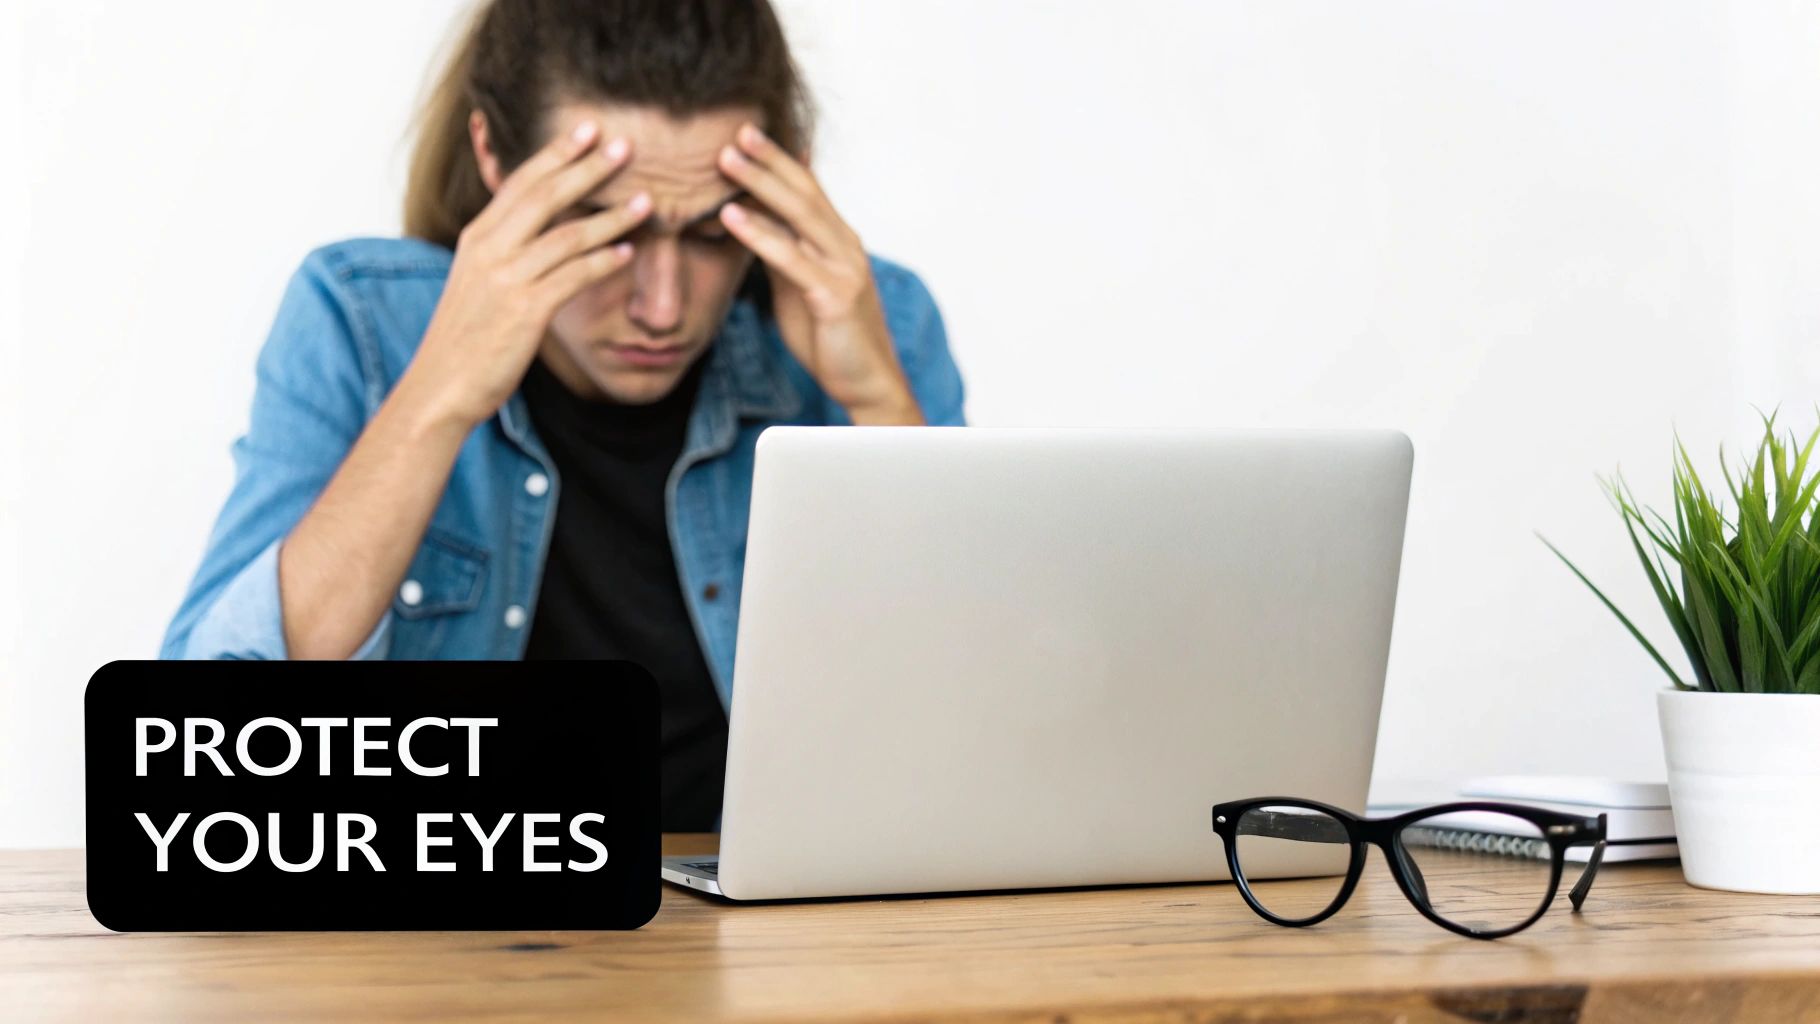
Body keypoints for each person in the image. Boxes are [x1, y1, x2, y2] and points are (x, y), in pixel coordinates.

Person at [160, 0, 966, 831]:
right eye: (605, 227)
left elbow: (980, 734)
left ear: (787, 186)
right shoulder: (364, 321)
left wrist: (878, 403)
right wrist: (442, 394)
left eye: (711, 233)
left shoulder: (870, 319)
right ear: (494, 159)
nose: (662, 307)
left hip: (768, 939)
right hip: (439, 936)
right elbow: (196, 746)